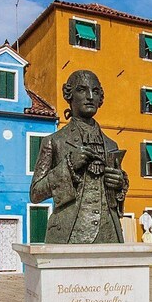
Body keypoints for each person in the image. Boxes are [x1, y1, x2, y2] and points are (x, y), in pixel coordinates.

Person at [30, 70, 127, 243]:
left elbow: (115, 199)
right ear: (70, 95)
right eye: (82, 90)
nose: (90, 96)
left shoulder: (111, 145)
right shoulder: (54, 141)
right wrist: (68, 167)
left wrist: (119, 185)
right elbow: (35, 193)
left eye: (95, 91)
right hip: (69, 234)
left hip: (109, 234)